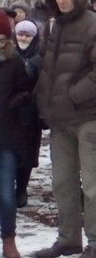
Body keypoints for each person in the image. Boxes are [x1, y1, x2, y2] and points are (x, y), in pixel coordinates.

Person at [33, 0, 96, 258]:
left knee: (94, 185)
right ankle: (68, 239)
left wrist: (73, 96)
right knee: (62, 183)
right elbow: (47, 68)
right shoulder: (53, 26)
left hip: (88, 117)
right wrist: (41, 99)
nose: (62, 0)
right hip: (60, 119)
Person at [0, 13, 33, 258]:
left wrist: (18, 101)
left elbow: (26, 92)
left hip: (6, 136)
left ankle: (8, 238)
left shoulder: (14, 62)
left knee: (6, 193)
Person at [13, 20, 41, 208]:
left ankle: (22, 189)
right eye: (20, 34)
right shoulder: (8, 54)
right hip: (10, 112)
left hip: (31, 113)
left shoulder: (39, 56)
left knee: (28, 154)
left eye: (27, 35)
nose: (23, 38)